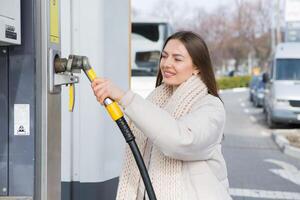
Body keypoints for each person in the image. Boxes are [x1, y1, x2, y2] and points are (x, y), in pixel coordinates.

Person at [91, 31, 232, 200]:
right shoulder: (156, 101)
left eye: (177, 59)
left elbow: (181, 140)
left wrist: (124, 98)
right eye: (164, 57)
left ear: (197, 68)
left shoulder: (211, 106)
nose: (166, 64)